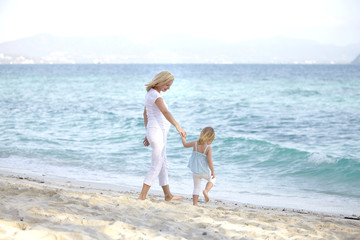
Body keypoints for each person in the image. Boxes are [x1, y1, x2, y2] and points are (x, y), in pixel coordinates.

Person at [138, 71, 187, 201]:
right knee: (157, 164)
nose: (168, 88)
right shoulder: (156, 96)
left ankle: (168, 195)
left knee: (163, 163)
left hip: (155, 132)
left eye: (170, 85)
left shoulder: (151, 94)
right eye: (167, 85)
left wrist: (148, 133)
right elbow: (165, 112)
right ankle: (142, 196)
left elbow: (145, 113)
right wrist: (178, 126)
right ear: (160, 81)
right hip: (157, 133)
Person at [181, 127, 216, 206]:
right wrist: (213, 171)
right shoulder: (208, 148)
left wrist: (183, 137)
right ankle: (206, 191)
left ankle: (195, 204)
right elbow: (209, 161)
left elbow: (185, 145)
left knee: (196, 187)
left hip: (195, 171)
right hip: (204, 171)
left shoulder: (195, 143)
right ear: (210, 139)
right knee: (212, 179)